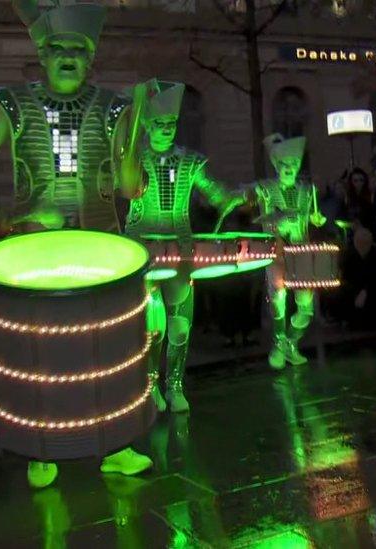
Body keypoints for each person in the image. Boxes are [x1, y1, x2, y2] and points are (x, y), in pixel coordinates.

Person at [0, 1, 151, 489]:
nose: (66, 56)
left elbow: (133, 187)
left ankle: (118, 444)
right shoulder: (7, 104)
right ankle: (40, 451)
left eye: (78, 49)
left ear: (90, 59)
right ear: (41, 55)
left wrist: (134, 138)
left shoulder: (115, 110)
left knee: (106, 353)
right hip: (36, 254)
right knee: (42, 358)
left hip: (101, 250)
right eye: (55, 48)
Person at [124, 79, 244, 413]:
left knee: (179, 325)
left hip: (181, 250)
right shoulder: (134, 159)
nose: (166, 130)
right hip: (143, 251)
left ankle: (174, 384)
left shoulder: (190, 162)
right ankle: (149, 387)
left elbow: (212, 189)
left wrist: (233, 197)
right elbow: (120, 187)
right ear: (148, 124)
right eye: (159, 124)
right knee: (153, 324)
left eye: (171, 125)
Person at [254, 134, 327, 368]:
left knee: (305, 309)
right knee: (278, 301)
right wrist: (279, 222)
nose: (289, 169)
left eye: (293, 165)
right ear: (276, 166)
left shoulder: (307, 191)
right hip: (277, 252)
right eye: (285, 164)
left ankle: (290, 344)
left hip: (302, 252)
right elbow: (263, 218)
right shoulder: (266, 189)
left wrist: (316, 219)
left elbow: (310, 219)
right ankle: (278, 345)